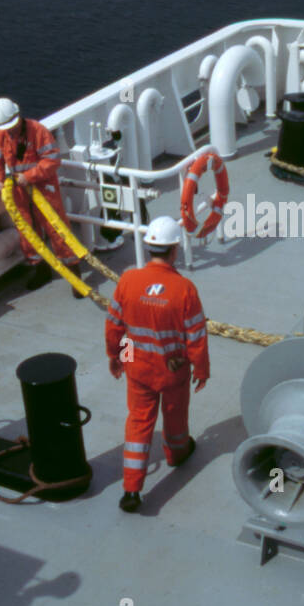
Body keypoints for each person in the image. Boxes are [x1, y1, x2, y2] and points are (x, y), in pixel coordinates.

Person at [104, 216, 210, 512]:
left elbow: (115, 327)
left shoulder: (127, 280)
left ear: (149, 247)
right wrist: (201, 371)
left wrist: (118, 358)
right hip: (173, 371)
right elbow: (196, 337)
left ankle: (131, 490)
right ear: (174, 250)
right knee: (175, 418)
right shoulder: (184, 289)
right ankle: (177, 455)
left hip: (137, 370)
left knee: (138, 424)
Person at [0, 98, 82, 295]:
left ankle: (74, 273)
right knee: (28, 233)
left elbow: (53, 160)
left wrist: (29, 176)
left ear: (19, 116)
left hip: (44, 187)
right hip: (19, 192)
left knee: (58, 230)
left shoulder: (38, 131)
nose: (10, 130)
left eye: (12, 125)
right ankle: (41, 270)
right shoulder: (0, 138)